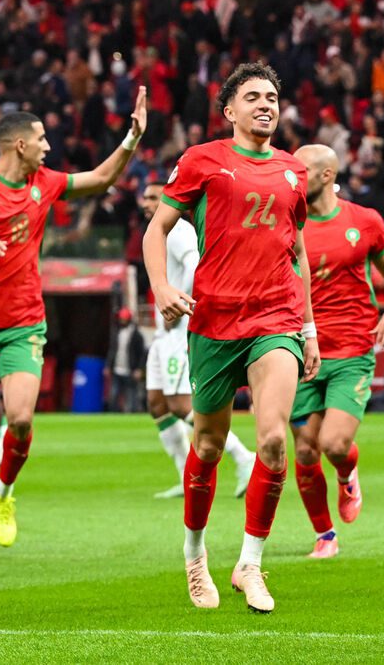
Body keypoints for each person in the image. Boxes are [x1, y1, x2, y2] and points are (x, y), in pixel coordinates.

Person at [0, 88, 148, 563]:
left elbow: (101, 177)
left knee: (22, 420)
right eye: (42, 139)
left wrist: (132, 138)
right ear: (19, 145)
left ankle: (3, 491)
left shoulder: (44, 182)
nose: (49, 146)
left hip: (23, 322)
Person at [146, 62, 319, 613]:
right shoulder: (203, 160)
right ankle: (195, 554)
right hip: (215, 321)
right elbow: (156, 228)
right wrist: (161, 286)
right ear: (230, 111)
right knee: (208, 446)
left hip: (276, 318)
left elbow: (298, 251)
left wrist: (308, 328)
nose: (266, 104)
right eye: (253, 97)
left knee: (273, 441)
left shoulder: (294, 171)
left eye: (272, 97)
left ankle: (249, 563)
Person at [289, 143, 384, 559]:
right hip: (300, 350)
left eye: (301, 170)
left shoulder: (364, 221)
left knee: (334, 444)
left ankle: (346, 471)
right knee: (305, 449)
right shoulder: (288, 223)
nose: (293, 177)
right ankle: (325, 534)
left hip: (351, 349)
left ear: (326, 175)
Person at [139, 181, 254, 500]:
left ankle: (244, 457)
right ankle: (183, 476)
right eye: (145, 197)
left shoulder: (179, 230)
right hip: (163, 334)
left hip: (179, 329)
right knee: (157, 403)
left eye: (153, 197)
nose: (146, 203)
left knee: (179, 404)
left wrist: (179, 301)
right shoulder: (159, 232)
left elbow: (194, 264)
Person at [106, 308, 146, 412]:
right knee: (114, 393)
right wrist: (108, 365)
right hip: (117, 368)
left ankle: (131, 412)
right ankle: (113, 413)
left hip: (130, 370)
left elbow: (141, 353)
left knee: (131, 394)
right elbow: (112, 350)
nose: (122, 321)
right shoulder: (117, 332)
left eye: (124, 319)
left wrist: (139, 369)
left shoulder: (136, 334)